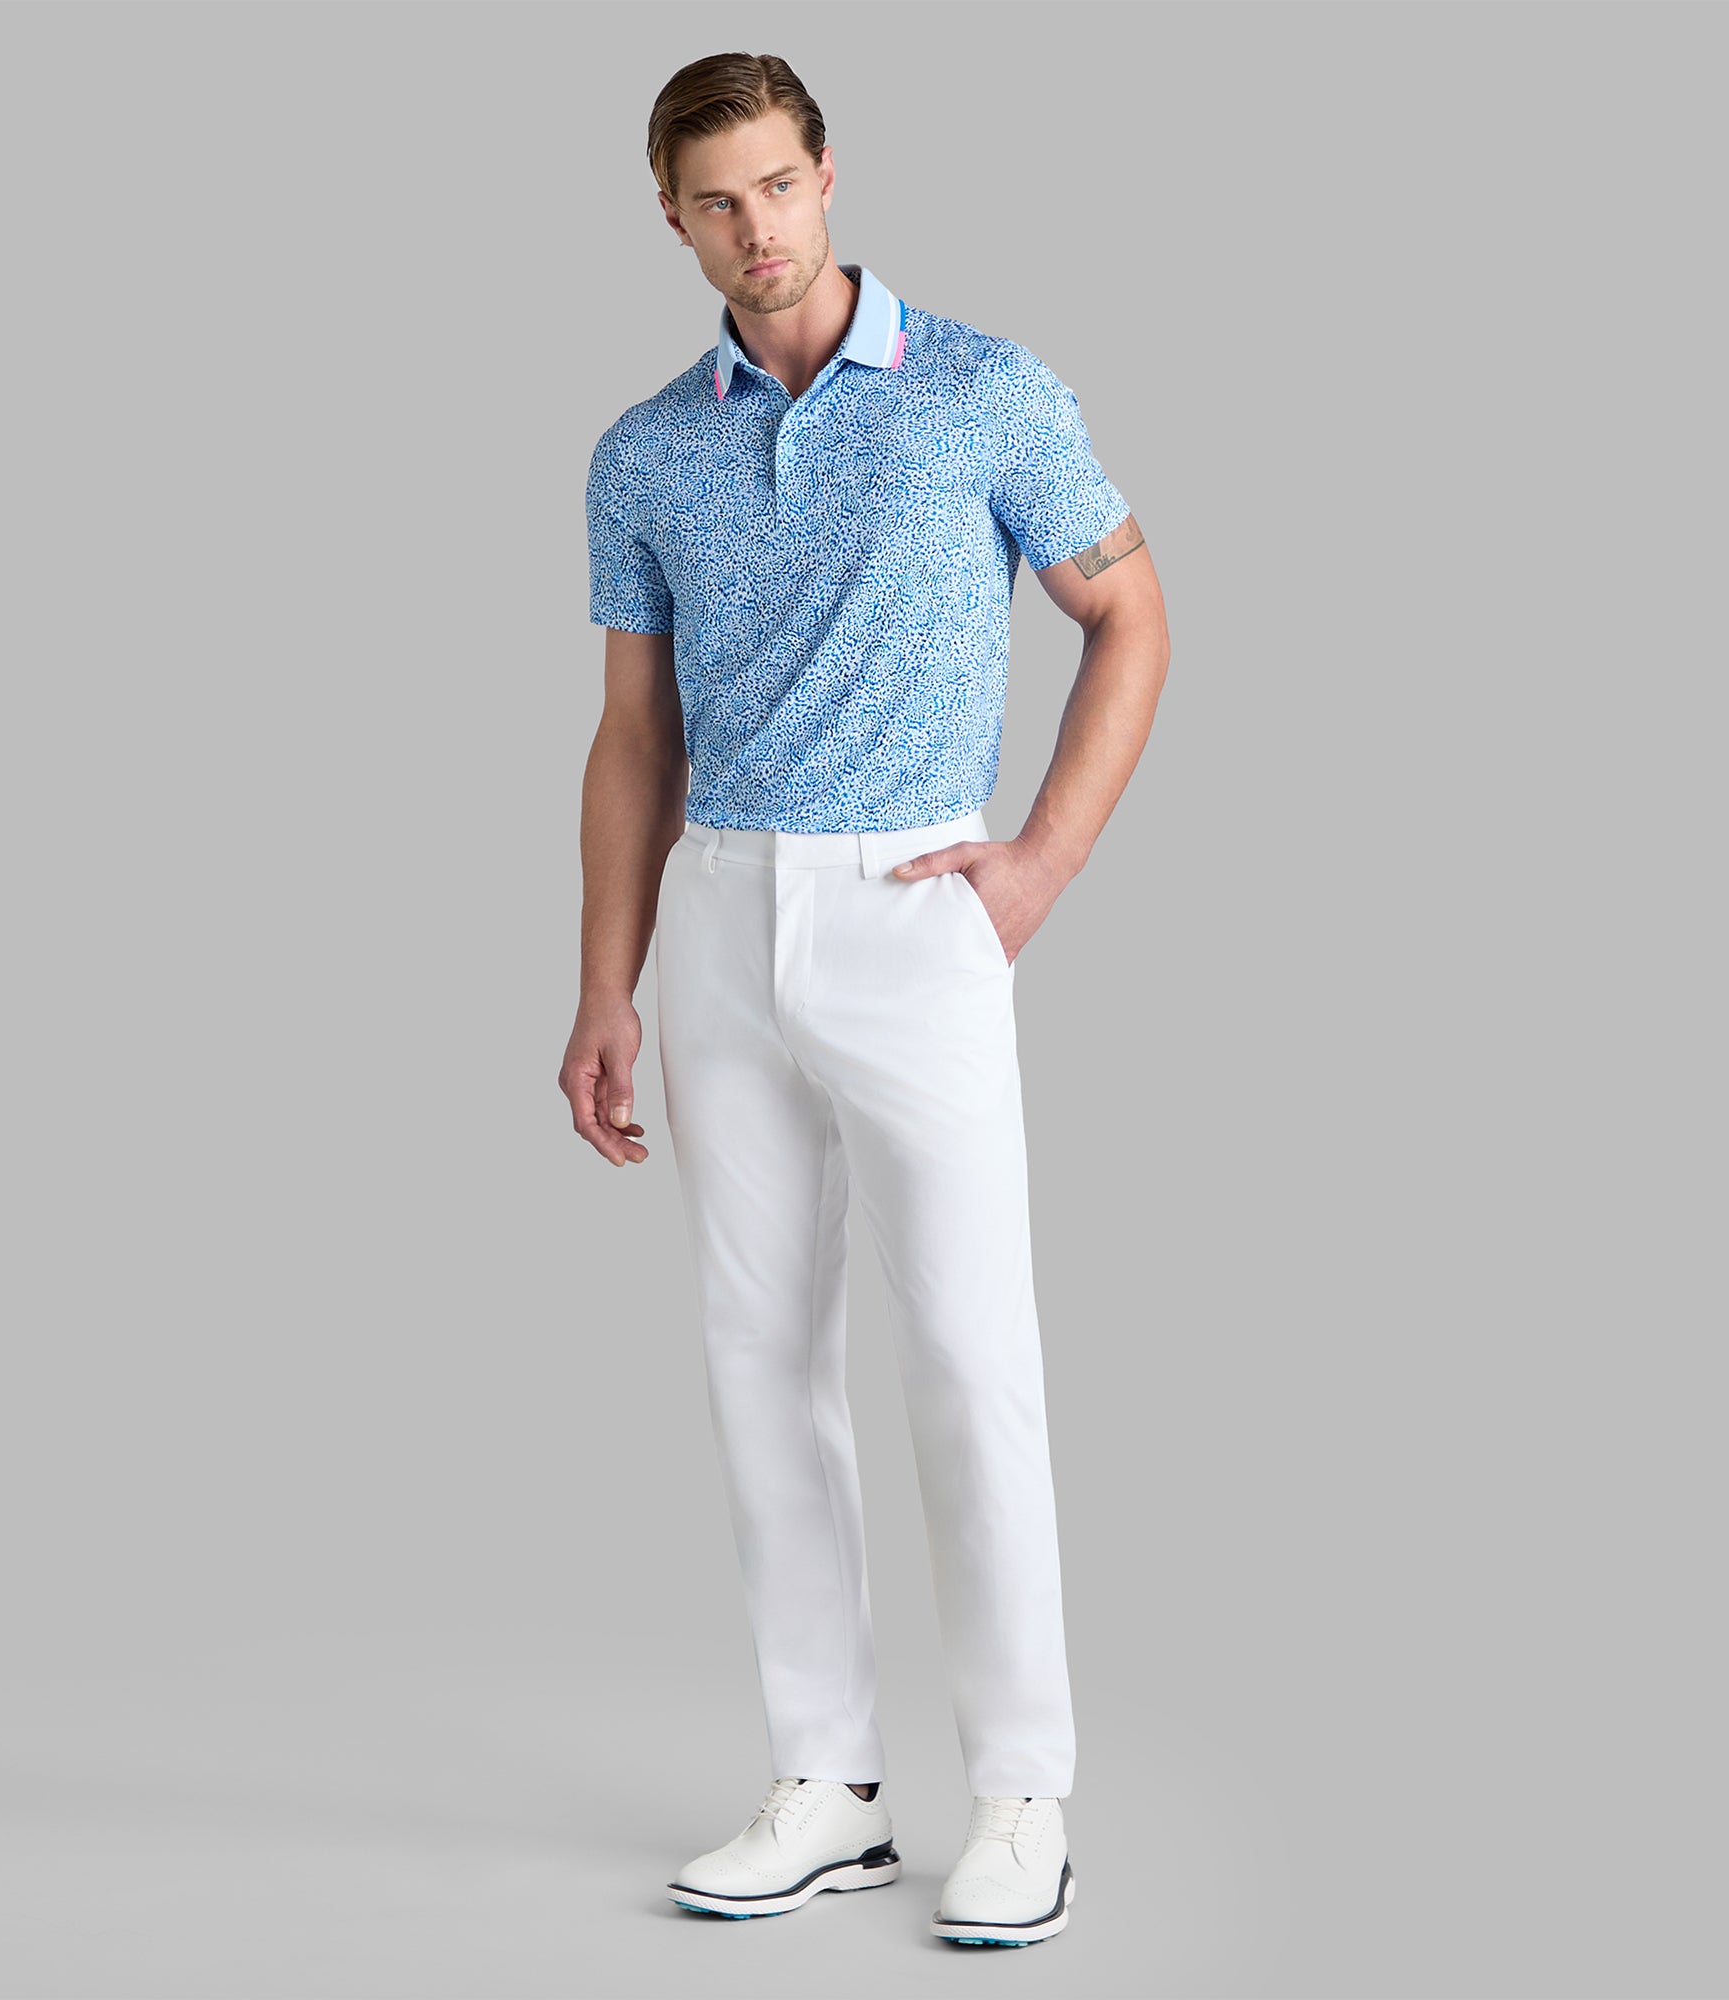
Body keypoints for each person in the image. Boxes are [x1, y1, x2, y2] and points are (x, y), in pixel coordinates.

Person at [561, 49, 1169, 1948]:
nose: (755, 228)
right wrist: (604, 982)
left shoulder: (984, 389)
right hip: (721, 918)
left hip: (917, 907)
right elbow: (632, 735)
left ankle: (1025, 1792)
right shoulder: (645, 451)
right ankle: (824, 1782)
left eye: (778, 185)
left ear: (828, 174)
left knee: (971, 1355)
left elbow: (1131, 611)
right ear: (671, 219)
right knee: (758, 1358)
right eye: (714, 202)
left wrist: (1039, 865)